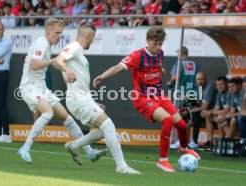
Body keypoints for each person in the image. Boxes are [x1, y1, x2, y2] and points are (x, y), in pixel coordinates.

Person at [93, 27, 200, 172]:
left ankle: (183, 148)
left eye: (160, 44)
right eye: (155, 43)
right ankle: (162, 161)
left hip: (159, 95)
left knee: (181, 125)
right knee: (168, 120)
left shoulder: (160, 53)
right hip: (142, 97)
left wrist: (160, 70)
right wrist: (102, 76)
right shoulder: (138, 56)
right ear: (148, 40)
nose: (158, 47)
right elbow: (118, 67)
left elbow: (156, 65)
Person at [17, 18, 107, 164]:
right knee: (48, 113)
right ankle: (25, 148)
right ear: (47, 31)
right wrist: (53, 61)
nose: (59, 36)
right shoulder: (41, 42)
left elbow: (57, 63)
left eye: (61, 33)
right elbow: (34, 65)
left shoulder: (47, 45)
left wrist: (65, 70)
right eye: (56, 32)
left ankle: (90, 152)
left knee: (67, 118)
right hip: (30, 87)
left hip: (41, 87)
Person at [56, 22, 140, 174]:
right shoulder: (74, 47)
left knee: (104, 130)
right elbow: (58, 61)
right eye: (92, 38)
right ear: (88, 36)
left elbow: (80, 83)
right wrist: (67, 70)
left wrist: (92, 102)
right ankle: (121, 166)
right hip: (77, 99)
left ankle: (74, 146)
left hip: (82, 98)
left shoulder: (79, 54)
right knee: (108, 125)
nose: (92, 41)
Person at [168, 46, 199, 149]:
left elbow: (174, 77)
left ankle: (179, 140)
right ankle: (188, 140)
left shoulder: (179, 63)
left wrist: (170, 83)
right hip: (194, 93)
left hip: (181, 93)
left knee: (178, 116)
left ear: (181, 54)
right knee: (189, 118)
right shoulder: (196, 64)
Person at [188, 72, 217, 149]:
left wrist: (192, 111)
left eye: (202, 79)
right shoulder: (198, 88)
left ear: (206, 79)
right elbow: (198, 103)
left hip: (213, 112)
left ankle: (195, 141)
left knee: (195, 114)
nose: (200, 81)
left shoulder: (209, 87)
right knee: (185, 115)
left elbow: (204, 106)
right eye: (198, 79)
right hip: (204, 112)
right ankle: (183, 140)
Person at [201, 76, 231, 150]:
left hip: (231, 114)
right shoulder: (219, 94)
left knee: (219, 117)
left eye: (221, 84)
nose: (219, 86)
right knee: (209, 117)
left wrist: (210, 112)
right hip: (223, 114)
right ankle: (209, 141)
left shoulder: (230, 93)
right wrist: (208, 113)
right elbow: (216, 108)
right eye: (218, 84)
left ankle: (225, 142)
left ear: (226, 84)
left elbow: (227, 110)